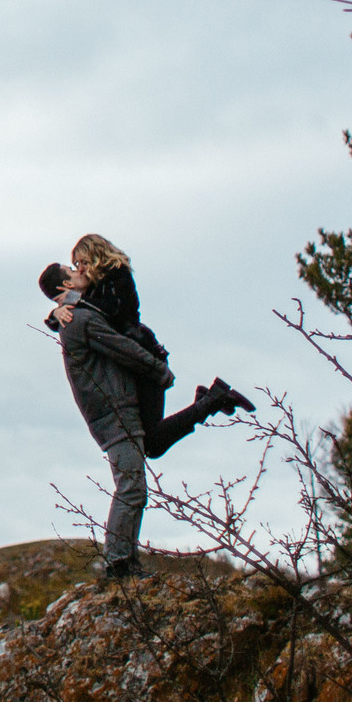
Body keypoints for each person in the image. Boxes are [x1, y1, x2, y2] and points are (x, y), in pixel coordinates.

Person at [54, 234, 253, 458]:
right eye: (76, 266)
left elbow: (111, 312)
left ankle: (212, 399)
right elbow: (72, 319)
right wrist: (56, 311)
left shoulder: (118, 276)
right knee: (150, 443)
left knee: (152, 444)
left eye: (81, 263)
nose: (79, 269)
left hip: (145, 357)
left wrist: (76, 301)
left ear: (95, 256)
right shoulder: (95, 290)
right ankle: (207, 402)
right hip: (136, 362)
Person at [40, 260, 167, 579]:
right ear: (64, 286)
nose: (79, 270)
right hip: (114, 413)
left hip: (114, 411)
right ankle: (119, 564)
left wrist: (54, 314)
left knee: (133, 487)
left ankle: (123, 562)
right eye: (72, 270)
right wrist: (158, 369)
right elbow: (120, 347)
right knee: (132, 488)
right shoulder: (79, 319)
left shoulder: (75, 314)